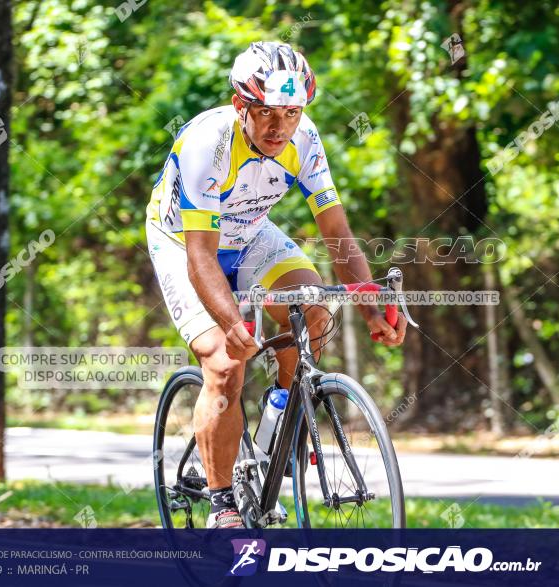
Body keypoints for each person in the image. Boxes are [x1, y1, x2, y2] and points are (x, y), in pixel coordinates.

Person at [145, 41, 406, 528]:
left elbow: (336, 233)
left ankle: (279, 418)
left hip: (249, 232)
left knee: (314, 309)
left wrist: (370, 306)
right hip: (184, 241)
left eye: (291, 113)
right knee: (225, 364)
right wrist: (229, 321)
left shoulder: (305, 139)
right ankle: (222, 504)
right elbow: (201, 255)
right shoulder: (209, 141)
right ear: (241, 104)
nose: (279, 127)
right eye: (266, 112)